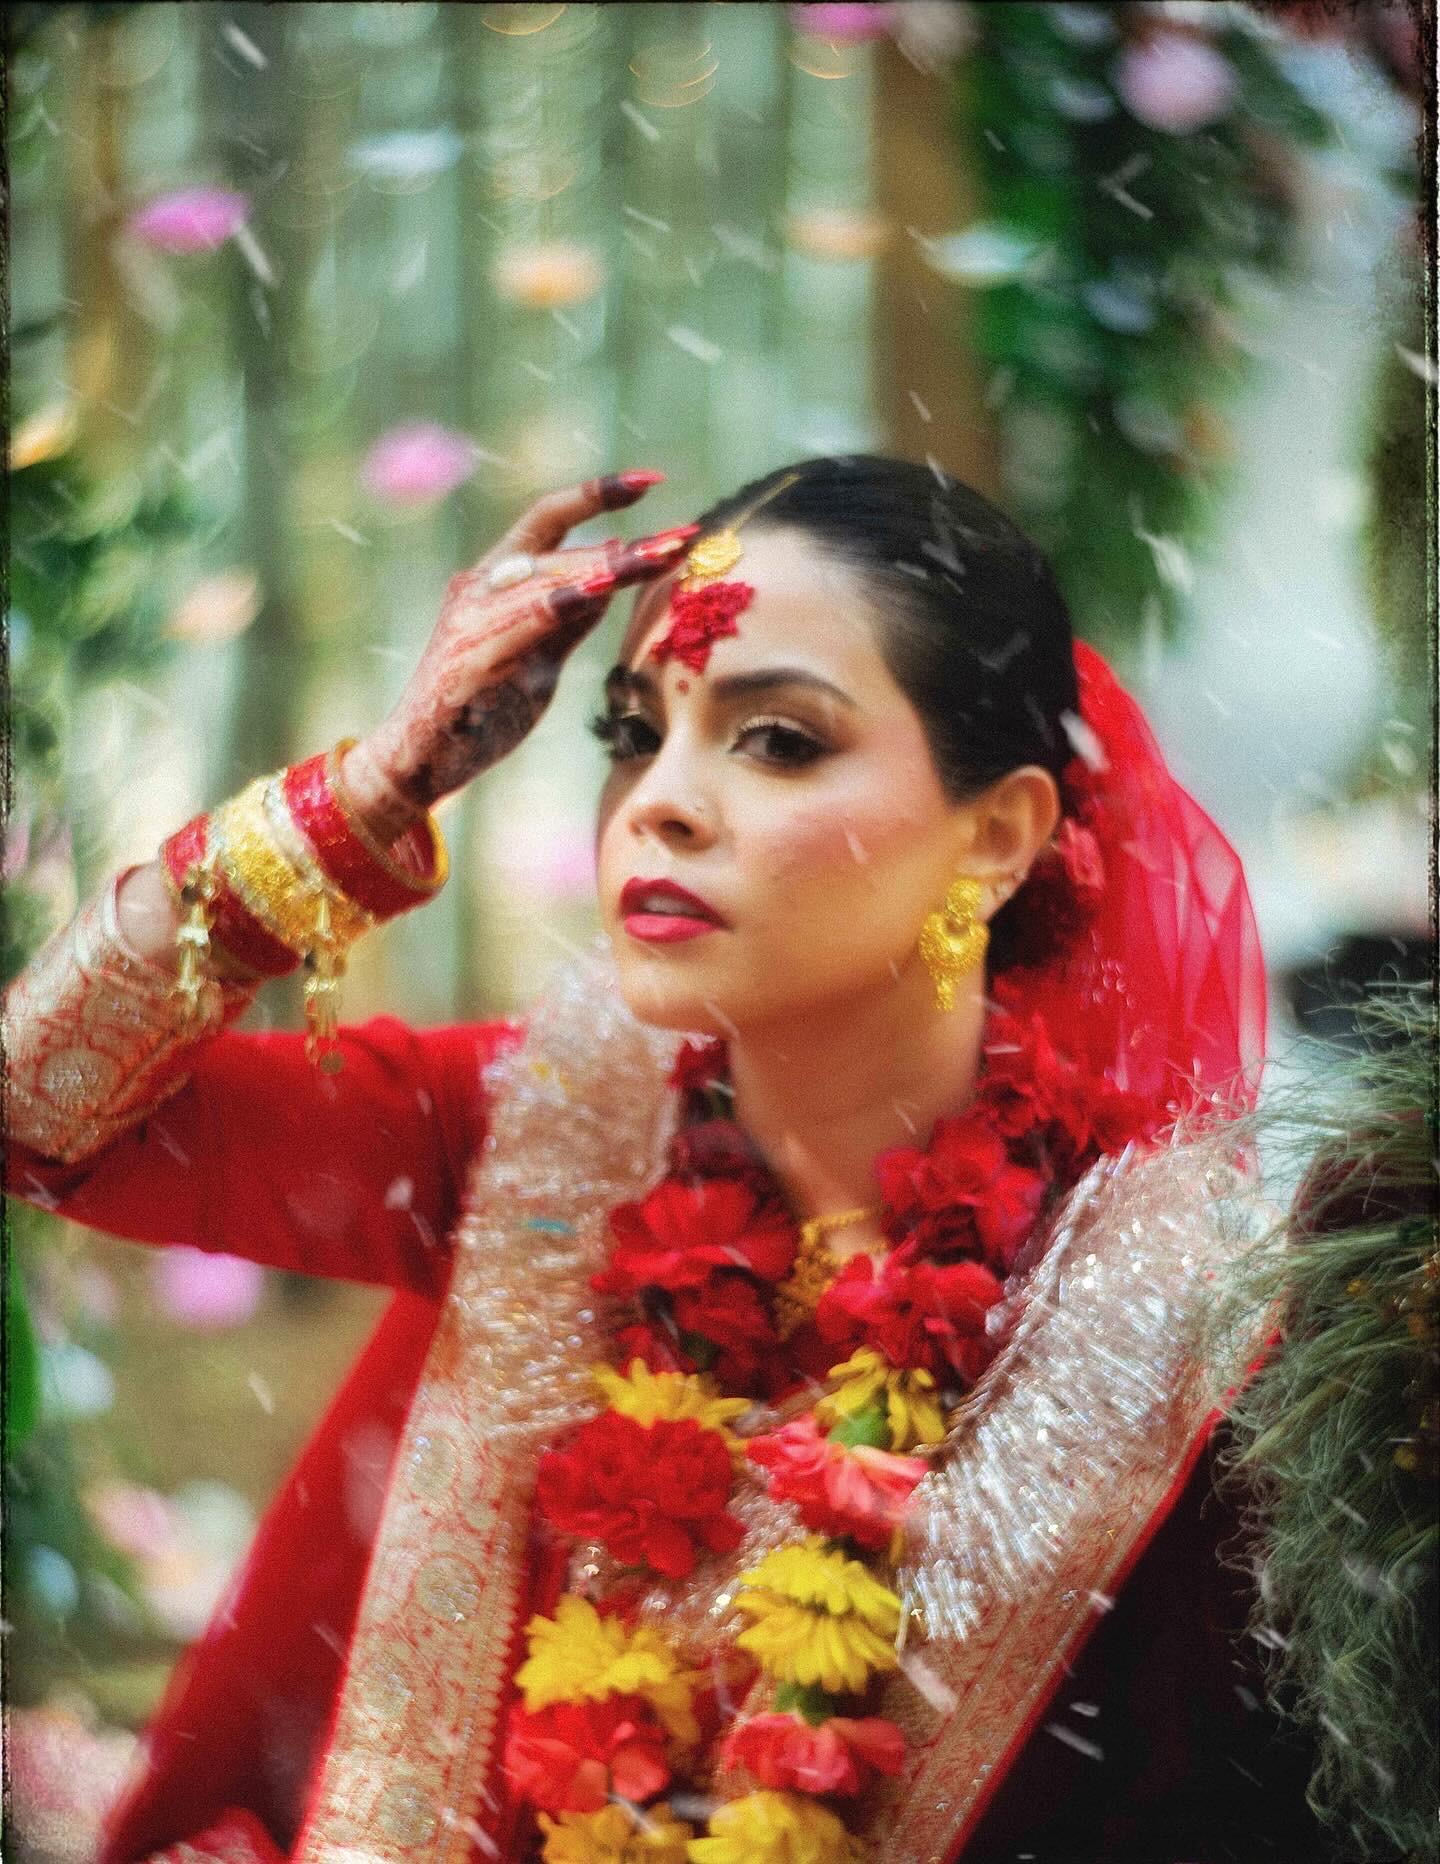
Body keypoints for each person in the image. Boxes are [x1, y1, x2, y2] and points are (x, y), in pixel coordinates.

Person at [4, 456, 1320, 1864]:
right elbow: (45, 1112)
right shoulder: (538, 1128)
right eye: (633, 734)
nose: (660, 803)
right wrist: (376, 791)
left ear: (994, 838)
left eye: (777, 742)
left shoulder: (1156, 1320)